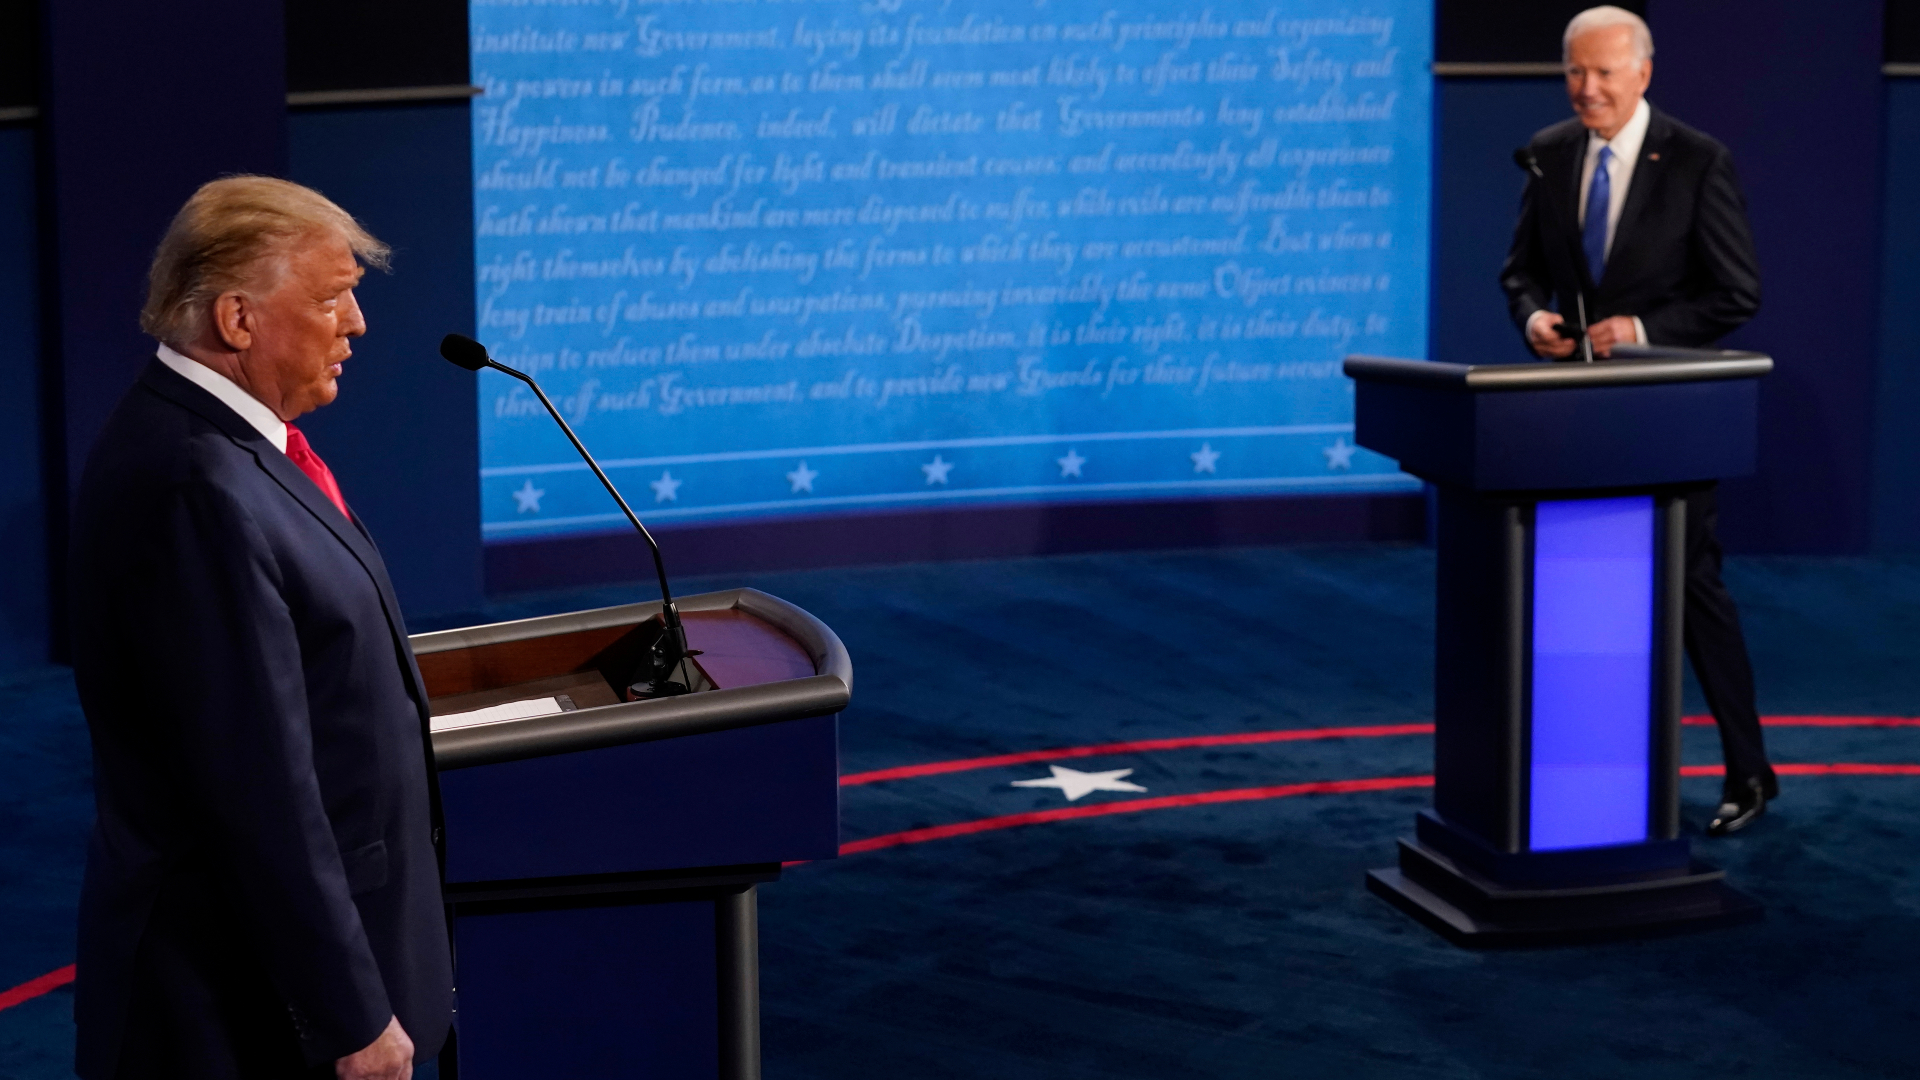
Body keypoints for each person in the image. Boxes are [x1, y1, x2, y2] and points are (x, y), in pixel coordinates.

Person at [69, 177, 451, 1078]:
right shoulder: (193, 486)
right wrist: (351, 1014)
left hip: (277, 988)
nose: (355, 323)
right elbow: (257, 789)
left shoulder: (238, 451)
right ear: (238, 320)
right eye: (329, 298)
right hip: (243, 1012)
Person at [1500, 6, 1774, 836]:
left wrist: (1643, 335)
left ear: (1643, 73)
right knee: (1582, 590)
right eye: (1575, 73)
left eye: (1604, 74)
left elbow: (1737, 293)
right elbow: (1520, 273)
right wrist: (1532, 320)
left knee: (1689, 589)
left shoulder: (1696, 162)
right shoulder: (1549, 154)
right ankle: (1589, 777)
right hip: (1575, 418)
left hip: (1667, 416)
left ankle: (1748, 769)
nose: (1587, 90)